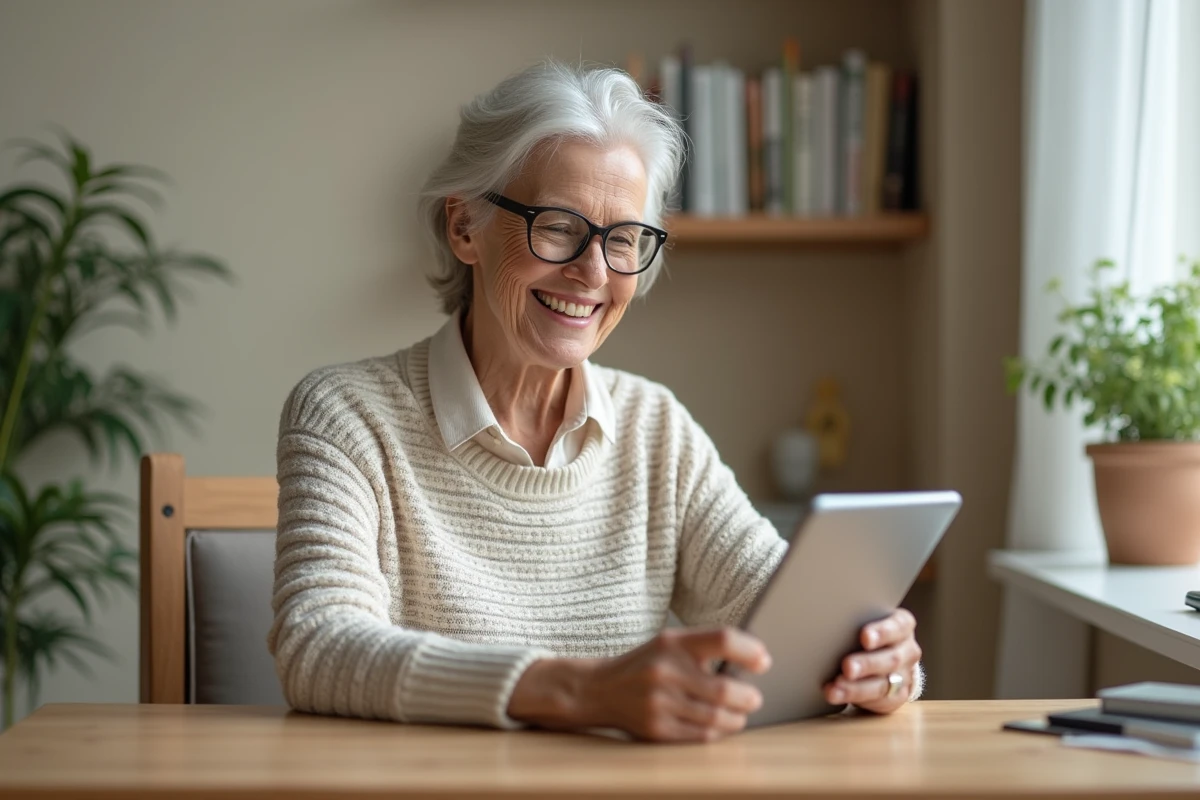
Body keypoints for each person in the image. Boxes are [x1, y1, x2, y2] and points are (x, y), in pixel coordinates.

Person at [268, 60, 924, 743]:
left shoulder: (655, 427)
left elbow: (786, 618)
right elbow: (319, 647)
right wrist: (582, 691)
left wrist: (878, 662)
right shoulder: (346, 414)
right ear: (464, 226)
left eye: (624, 239)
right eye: (557, 226)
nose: (594, 273)